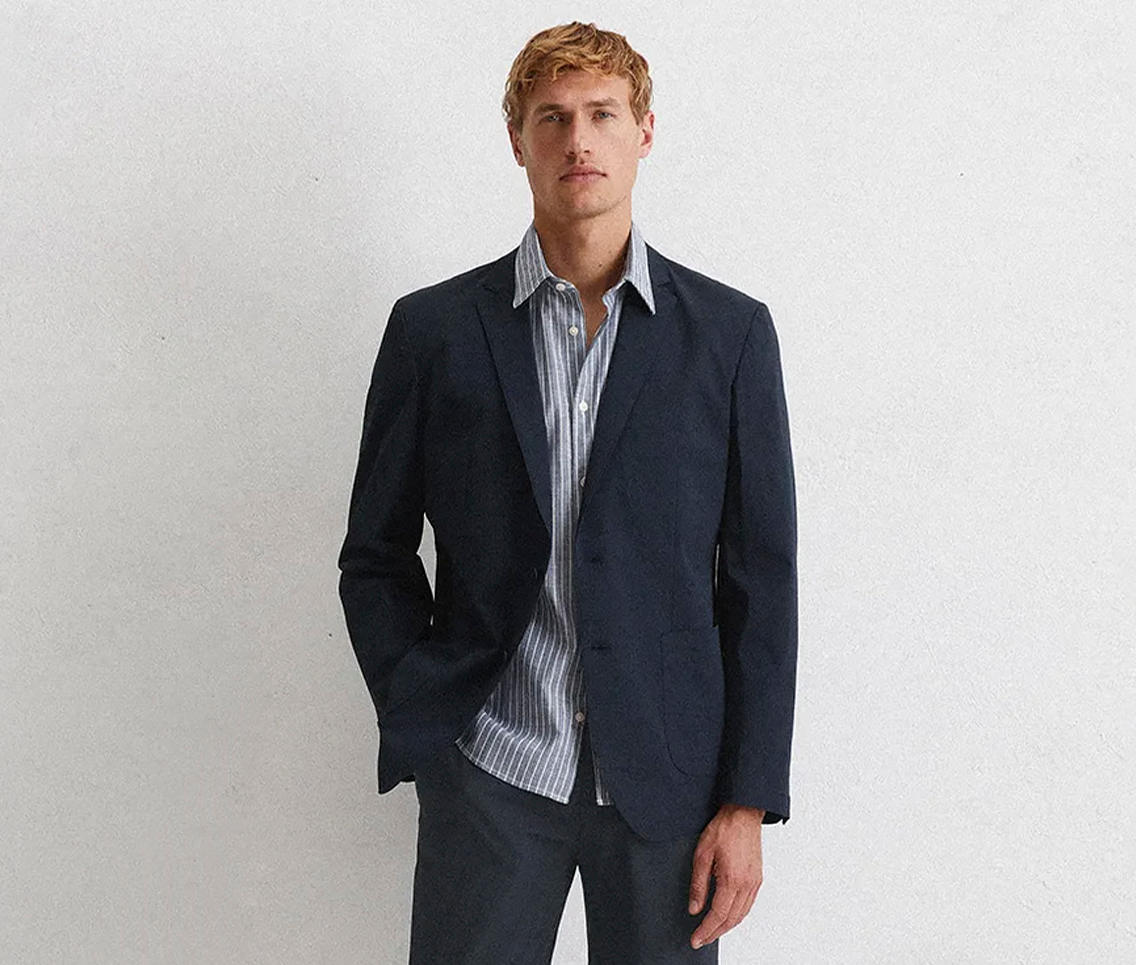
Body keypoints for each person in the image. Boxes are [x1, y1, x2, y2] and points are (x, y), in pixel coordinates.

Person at [337, 21, 797, 964]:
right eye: (551, 118)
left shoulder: (729, 336)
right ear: (518, 141)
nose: (578, 140)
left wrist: (747, 800)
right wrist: (427, 714)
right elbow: (375, 553)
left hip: (670, 783)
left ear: (644, 132)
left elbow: (762, 581)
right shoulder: (434, 331)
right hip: (492, 768)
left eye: (602, 114)